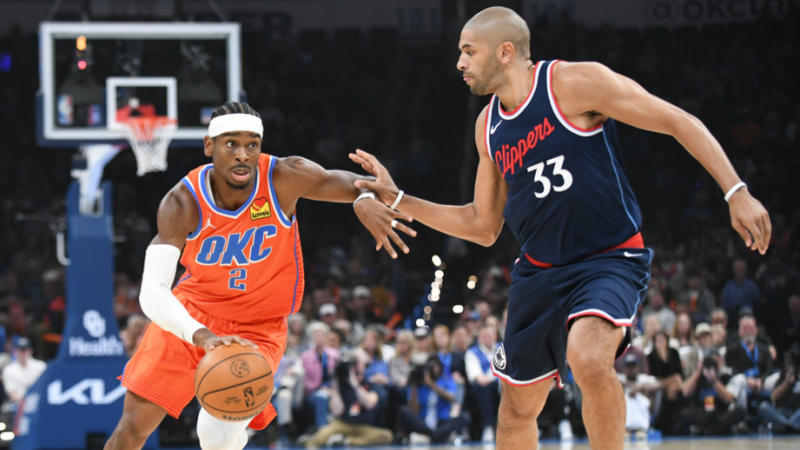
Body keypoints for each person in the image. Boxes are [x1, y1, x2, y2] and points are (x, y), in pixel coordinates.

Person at [348, 6, 771, 449]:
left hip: (608, 258)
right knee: (515, 410)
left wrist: (735, 191)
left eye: (469, 52)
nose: (460, 63)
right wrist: (399, 200)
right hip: (540, 271)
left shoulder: (573, 83)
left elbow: (676, 121)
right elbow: (482, 224)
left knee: (588, 358)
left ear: (506, 52)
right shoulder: (487, 127)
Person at [104, 102, 414, 450]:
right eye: (231, 144)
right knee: (131, 430)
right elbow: (152, 293)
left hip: (258, 327)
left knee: (217, 431)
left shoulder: (284, 177)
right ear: (209, 146)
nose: (243, 154)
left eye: (252, 144)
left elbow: (350, 184)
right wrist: (201, 336)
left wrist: (364, 198)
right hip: (192, 317)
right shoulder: (182, 202)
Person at [302, 348, 393, 448]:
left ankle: (346, 440)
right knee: (318, 437)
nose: (354, 366)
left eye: (357, 363)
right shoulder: (342, 385)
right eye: (353, 363)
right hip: (343, 423)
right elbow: (337, 411)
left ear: (365, 365)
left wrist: (354, 383)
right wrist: (336, 384)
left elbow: (369, 403)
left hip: (364, 426)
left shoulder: (372, 385)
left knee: (386, 436)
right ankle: (341, 438)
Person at [1, 337, 46, 405]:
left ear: (30, 351)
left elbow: (45, 388)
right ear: (15, 351)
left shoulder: (41, 366)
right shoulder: (9, 370)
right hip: (17, 405)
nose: (23, 353)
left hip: (39, 403)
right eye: (20, 350)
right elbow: (13, 393)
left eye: (25, 350)